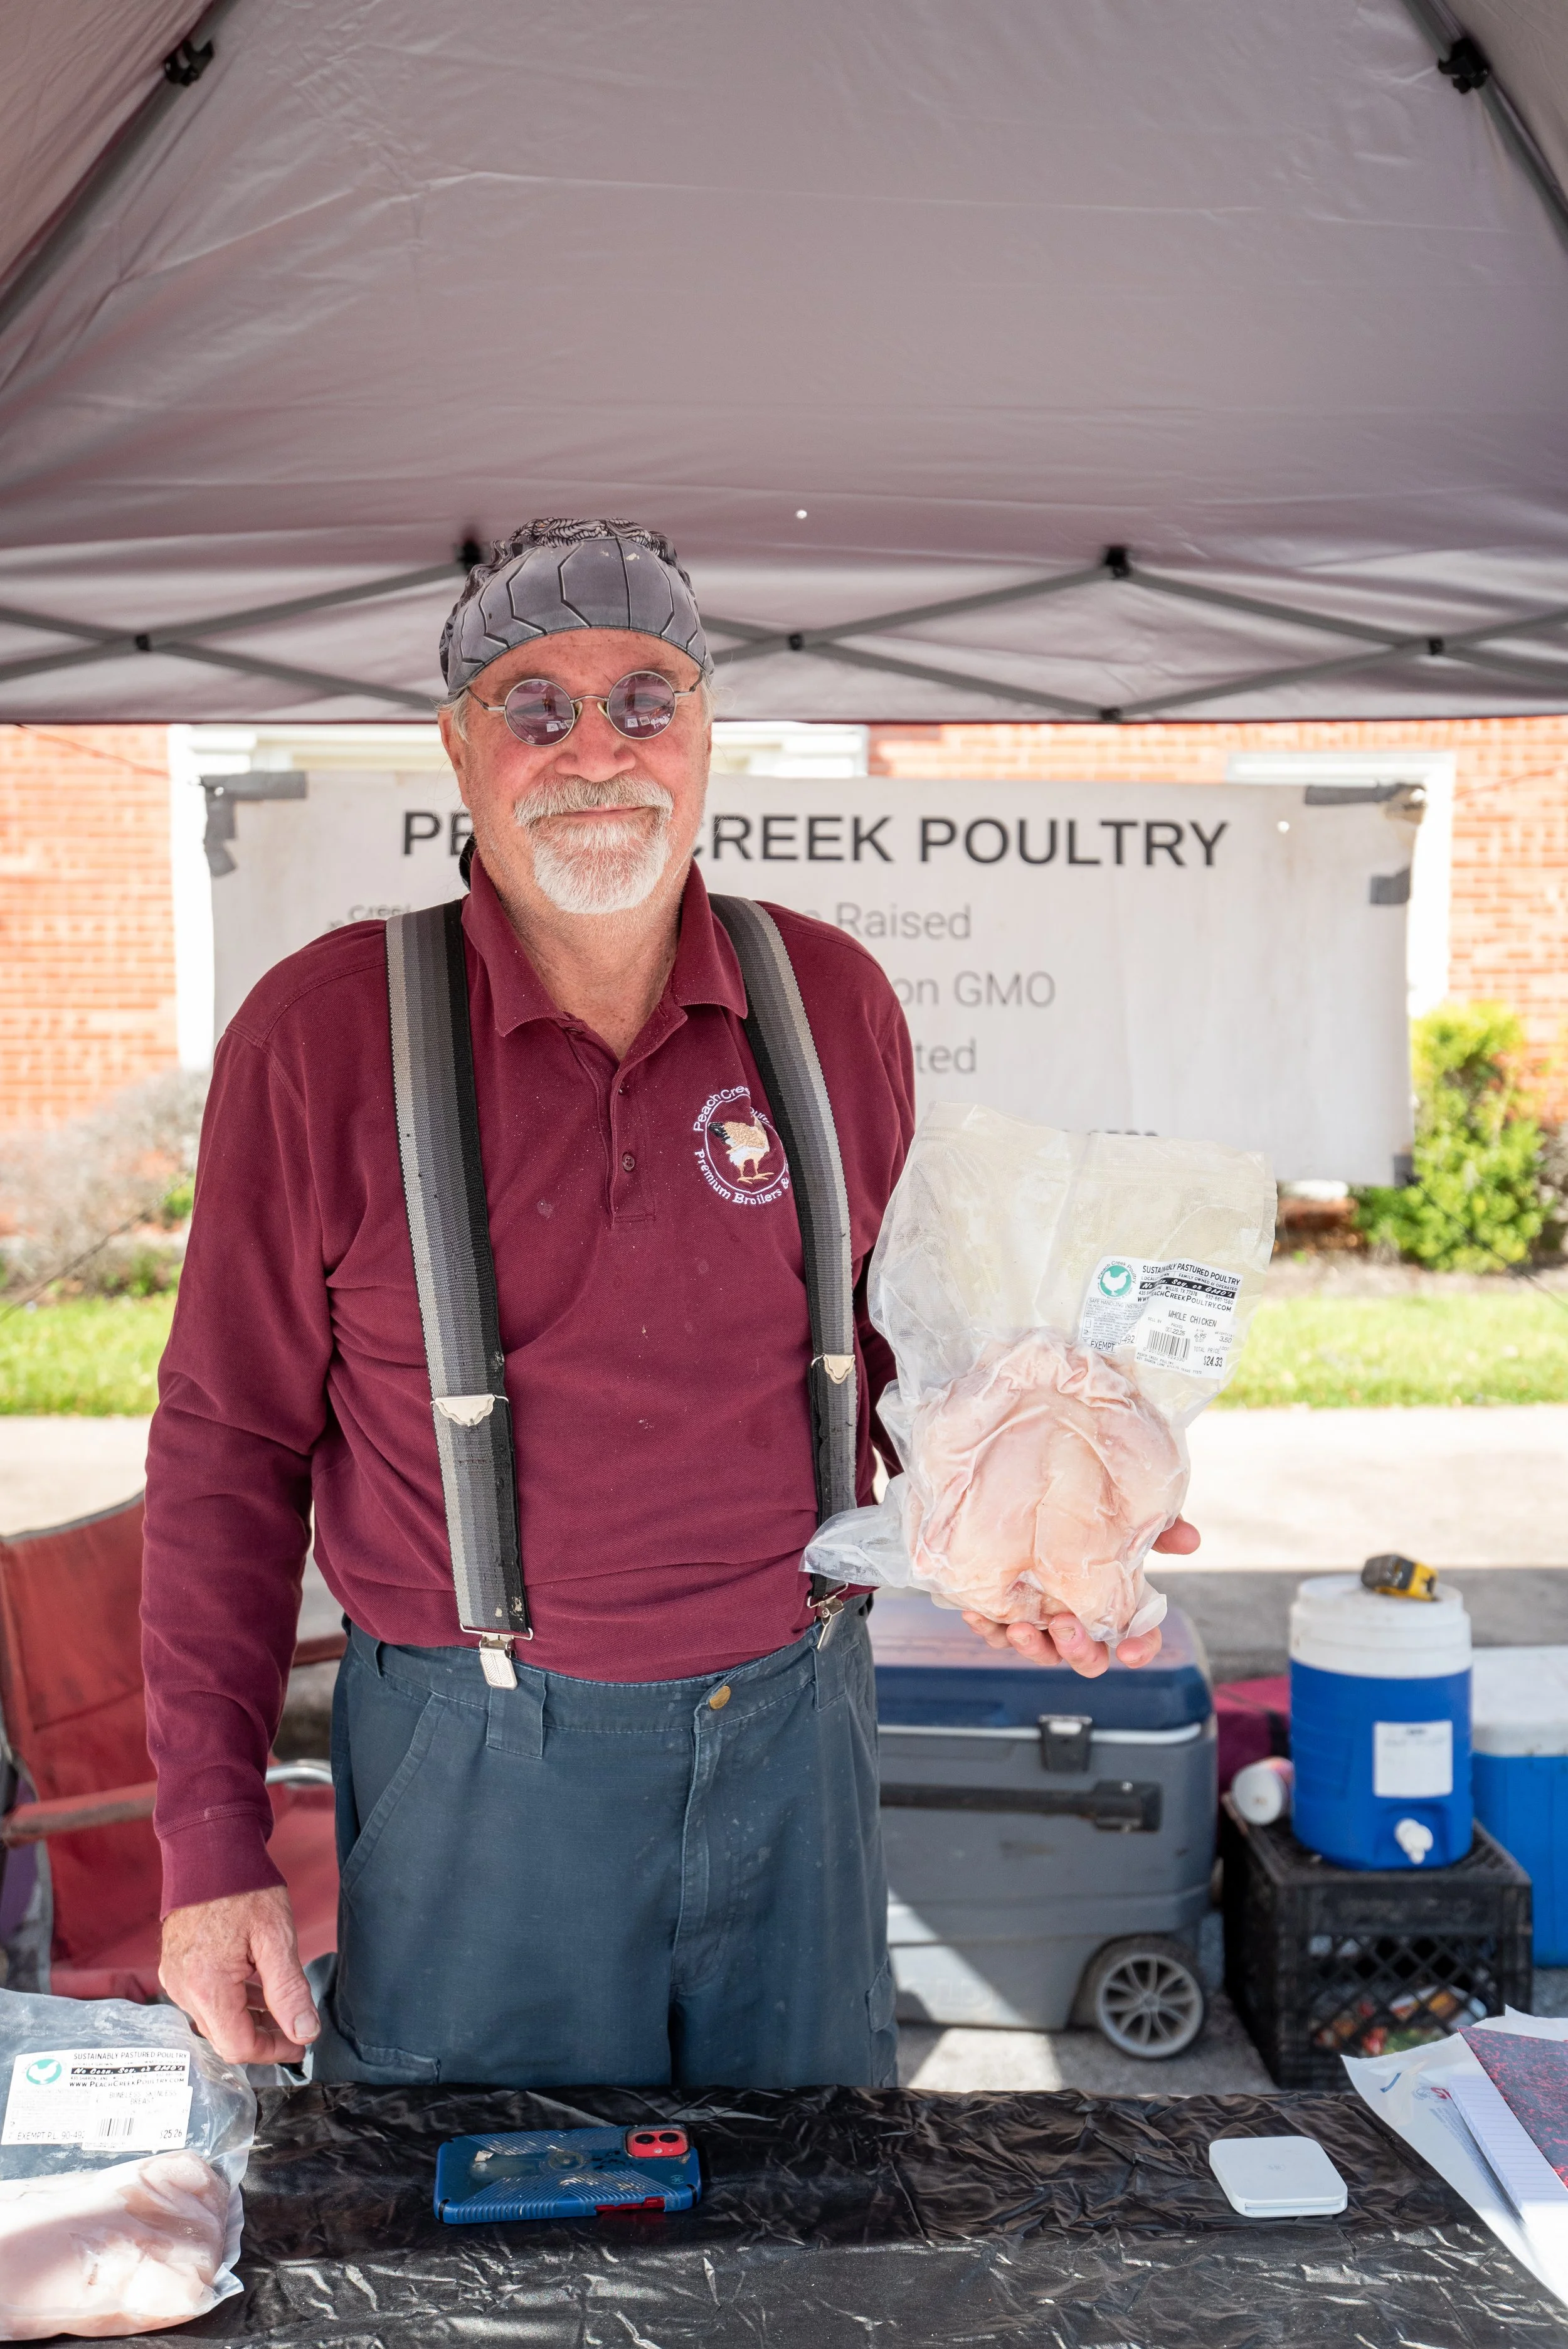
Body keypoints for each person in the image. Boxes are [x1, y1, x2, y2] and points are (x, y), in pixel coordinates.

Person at [145, 518, 1197, 2087]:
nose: (596, 751)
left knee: (806, 2236)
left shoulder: (828, 997)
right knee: (489, 2273)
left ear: (705, 734)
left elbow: (913, 1360)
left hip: (802, 1730)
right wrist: (206, 1845)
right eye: (534, 705)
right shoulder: (321, 1036)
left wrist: (1045, 1520)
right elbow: (226, 1448)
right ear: (456, 747)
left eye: (645, 699)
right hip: (477, 1762)